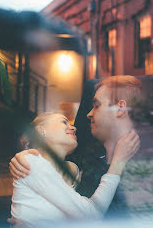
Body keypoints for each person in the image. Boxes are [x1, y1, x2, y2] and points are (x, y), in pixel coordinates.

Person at [10, 75, 145, 217]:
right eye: (64, 122)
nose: (88, 114)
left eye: (96, 106)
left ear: (120, 108)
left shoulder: (144, 172)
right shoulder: (85, 160)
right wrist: (22, 157)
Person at [10, 112, 140, 227]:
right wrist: (118, 162)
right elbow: (91, 216)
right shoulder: (31, 163)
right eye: (63, 121)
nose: (73, 127)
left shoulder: (74, 170)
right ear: (41, 131)